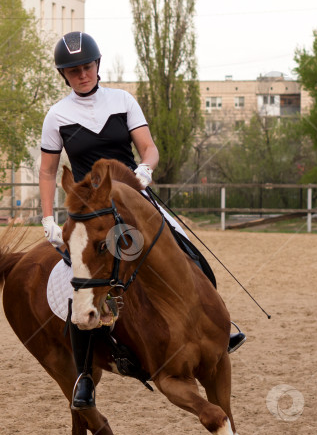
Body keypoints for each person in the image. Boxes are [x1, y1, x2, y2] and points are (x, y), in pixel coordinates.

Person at [38, 31, 245, 410]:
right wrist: (48, 218)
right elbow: (49, 171)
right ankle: (84, 374)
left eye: (86, 67)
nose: (81, 75)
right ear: (64, 75)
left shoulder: (122, 100)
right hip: (90, 213)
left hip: (134, 199)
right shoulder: (57, 115)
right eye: (73, 71)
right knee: (74, 284)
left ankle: (216, 326)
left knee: (185, 246)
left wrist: (145, 169)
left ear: (97, 66)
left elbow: (148, 146)